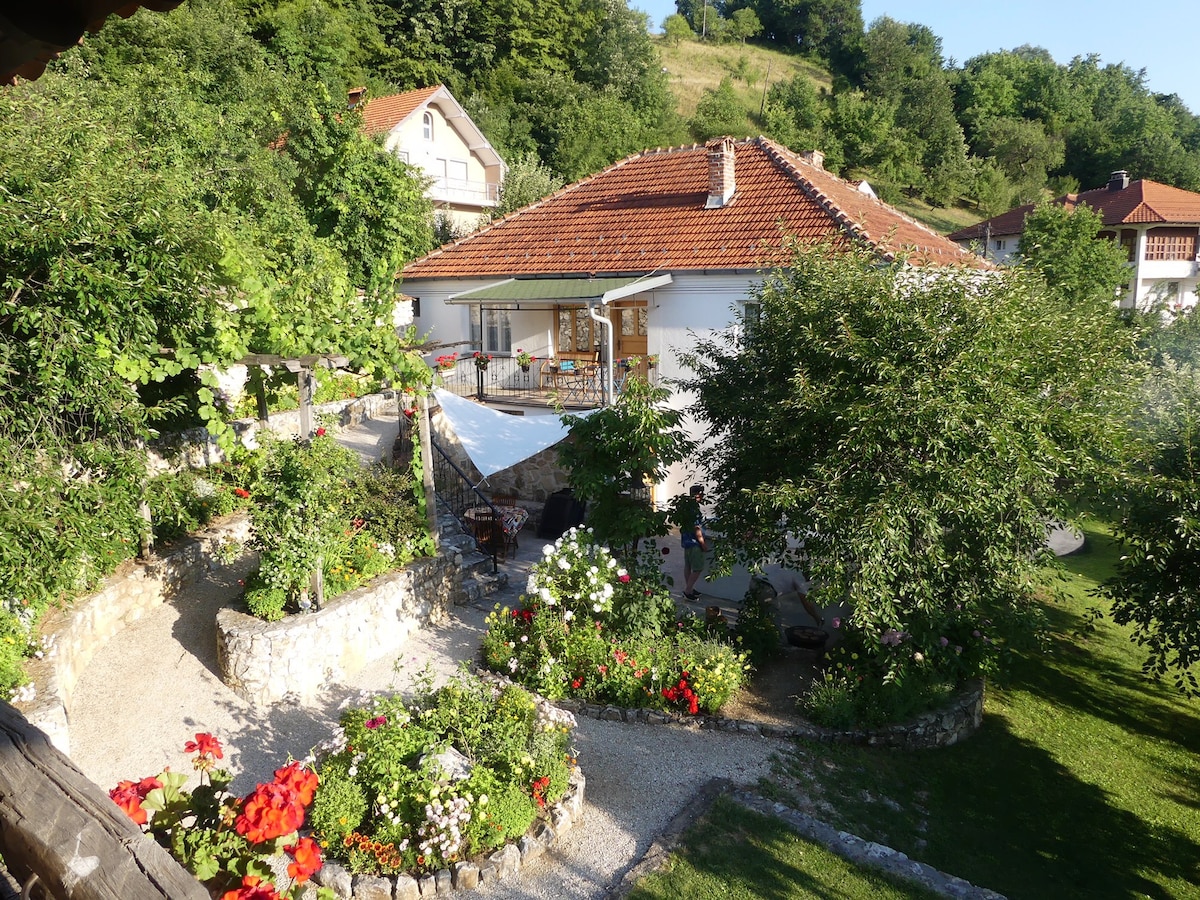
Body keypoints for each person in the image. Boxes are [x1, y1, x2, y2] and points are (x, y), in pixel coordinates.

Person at [680, 484, 709, 601]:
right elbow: (697, 528)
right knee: (697, 568)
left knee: (688, 566)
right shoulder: (694, 509)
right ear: (698, 495)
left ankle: (690, 588)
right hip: (694, 543)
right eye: (701, 494)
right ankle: (688, 591)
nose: (702, 496)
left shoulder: (686, 507)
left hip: (686, 542)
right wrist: (703, 544)